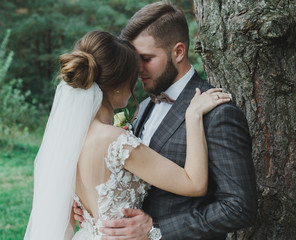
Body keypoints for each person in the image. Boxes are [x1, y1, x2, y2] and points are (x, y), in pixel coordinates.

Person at [74, 1, 257, 240]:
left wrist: (156, 230)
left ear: (179, 52)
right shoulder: (143, 108)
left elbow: (239, 208)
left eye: (146, 58)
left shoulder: (216, 112)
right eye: (132, 60)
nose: (136, 69)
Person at [24, 30, 231, 240]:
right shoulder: (116, 142)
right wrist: (193, 115)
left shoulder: (69, 139)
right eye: (133, 75)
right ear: (118, 84)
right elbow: (194, 184)